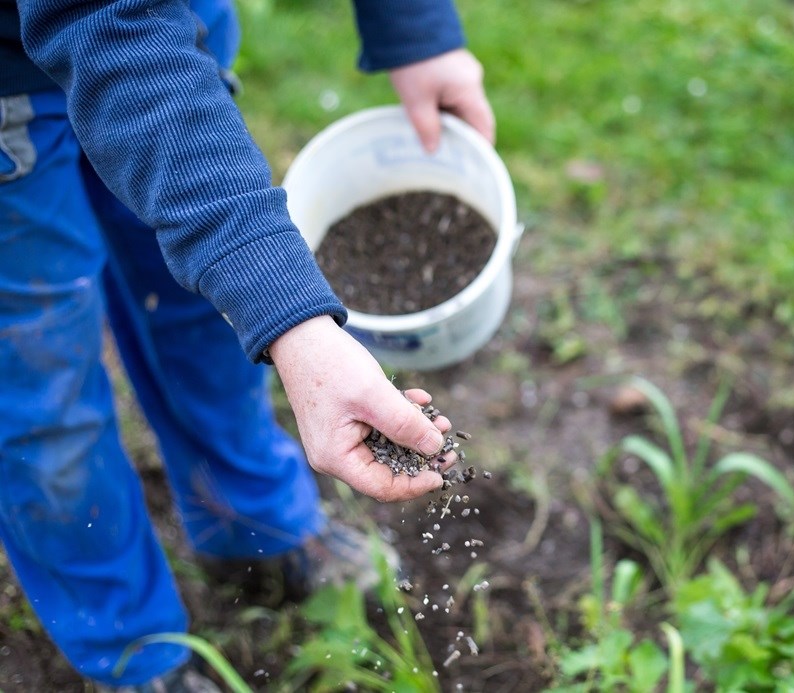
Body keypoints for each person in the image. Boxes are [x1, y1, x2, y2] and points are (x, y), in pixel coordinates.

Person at [0, 0, 495, 688]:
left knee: (203, 302)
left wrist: (413, 30)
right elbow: (112, 29)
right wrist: (292, 319)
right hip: (24, 80)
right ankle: (128, 647)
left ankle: (249, 523)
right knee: (40, 379)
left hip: (173, 24)